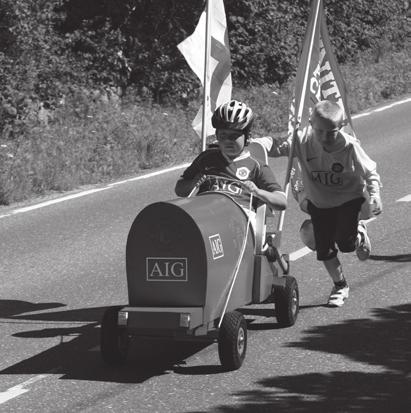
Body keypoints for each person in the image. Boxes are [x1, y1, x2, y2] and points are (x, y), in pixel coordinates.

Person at [268, 100, 382, 307]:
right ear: (311, 124)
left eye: (331, 132)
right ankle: (340, 286)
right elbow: (276, 147)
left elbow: (370, 170)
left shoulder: (348, 146)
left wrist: (375, 194)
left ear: (341, 127)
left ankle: (358, 234)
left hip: (348, 199)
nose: (324, 137)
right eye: (319, 131)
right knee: (325, 250)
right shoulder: (301, 141)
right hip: (319, 204)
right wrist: (256, 143)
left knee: (345, 244)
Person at [175, 100, 287, 231]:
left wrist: (257, 192)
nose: (228, 140)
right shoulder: (206, 159)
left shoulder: (256, 166)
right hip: (204, 215)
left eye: (234, 136)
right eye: (223, 135)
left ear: (247, 137)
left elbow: (281, 202)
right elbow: (180, 190)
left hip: (239, 221)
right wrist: (193, 183)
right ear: (216, 136)